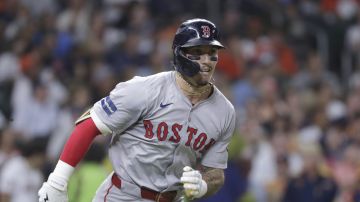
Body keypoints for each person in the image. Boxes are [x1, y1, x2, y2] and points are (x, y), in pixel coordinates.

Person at [38, 18, 236, 202]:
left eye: (212, 53)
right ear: (179, 53)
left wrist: (202, 185)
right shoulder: (144, 89)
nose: (207, 60)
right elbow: (90, 125)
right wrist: (58, 180)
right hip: (123, 195)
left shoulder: (225, 111)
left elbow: (216, 173)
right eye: (197, 52)